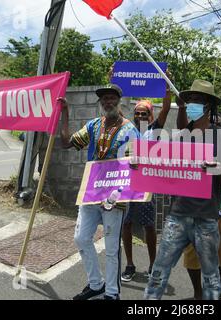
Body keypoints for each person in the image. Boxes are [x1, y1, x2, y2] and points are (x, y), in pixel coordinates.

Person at [144, 79, 221, 300]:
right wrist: (140, 167)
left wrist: (215, 168)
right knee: (158, 272)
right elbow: (162, 170)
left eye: (199, 100)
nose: (193, 103)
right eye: (190, 99)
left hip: (207, 216)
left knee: (211, 275)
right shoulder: (179, 138)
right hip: (178, 215)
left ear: (209, 106)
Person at [58, 83, 138, 300]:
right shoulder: (93, 125)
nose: (108, 102)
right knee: (81, 238)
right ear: (101, 103)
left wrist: (116, 194)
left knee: (112, 247)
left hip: (116, 197)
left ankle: (112, 293)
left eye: (112, 98)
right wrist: (65, 113)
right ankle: (96, 284)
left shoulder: (130, 130)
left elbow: (135, 168)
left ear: (119, 101)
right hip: (92, 191)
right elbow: (67, 143)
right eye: (104, 99)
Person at [182, 115, 221, 300]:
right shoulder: (183, 137)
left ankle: (216, 290)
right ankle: (198, 294)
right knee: (192, 250)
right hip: (191, 205)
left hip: (217, 204)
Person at [121, 85, 172, 282]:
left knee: (149, 225)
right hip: (129, 182)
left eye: (144, 113)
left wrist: (166, 90)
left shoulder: (154, 130)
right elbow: (117, 108)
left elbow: (166, 109)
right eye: (137, 113)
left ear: (150, 115)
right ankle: (130, 265)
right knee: (127, 223)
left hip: (148, 183)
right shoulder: (129, 129)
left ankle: (153, 265)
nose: (140, 116)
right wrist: (114, 82)